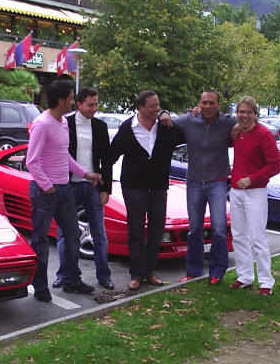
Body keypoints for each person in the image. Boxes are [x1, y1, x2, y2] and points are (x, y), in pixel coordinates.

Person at [26, 79, 102, 302]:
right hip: (45, 192)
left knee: (72, 236)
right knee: (40, 240)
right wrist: (47, 186)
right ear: (60, 100)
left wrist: (85, 174)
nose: (72, 102)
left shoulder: (63, 123)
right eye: (70, 98)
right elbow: (32, 161)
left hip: (64, 189)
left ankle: (72, 280)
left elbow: (64, 155)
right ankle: (40, 285)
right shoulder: (42, 124)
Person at [108, 90, 184, 291]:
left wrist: (166, 113)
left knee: (157, 230)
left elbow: (189, 132)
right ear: (141, 107)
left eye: (158, 105)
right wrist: (102, 181)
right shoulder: (127, 128)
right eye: (153, 106)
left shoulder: (167, 127)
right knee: (135, 229)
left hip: (158, 186)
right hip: (133, 186)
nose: (157, 108)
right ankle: (136, 274)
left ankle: (149, 270)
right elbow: (111, 155)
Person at [159, 90, 233, 285]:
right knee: (194, 229)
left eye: (211, 103)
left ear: (218, 105)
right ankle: (194, 270)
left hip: (217, 182)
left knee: (219, 229)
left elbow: (249, 122)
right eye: (204, 102)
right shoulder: (189, 120)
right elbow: (167, 119)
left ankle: (217, 272)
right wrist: (163, 112)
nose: (207, 106)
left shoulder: (227, 122)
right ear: (199, 104)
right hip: (194, 182)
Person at [53, 86, 115, 291]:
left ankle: (104, 276)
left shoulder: (100, 126)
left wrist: (106, 188)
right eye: (90, 105)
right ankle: (63, 274)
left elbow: (106, 159)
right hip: (69, 185)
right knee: (65, 233)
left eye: (96, 104)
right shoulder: (65, 124)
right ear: (78, 104)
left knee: (99, 233)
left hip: (93, 186)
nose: (94, 108)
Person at [228, 96, 280, 295]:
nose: (244, 116)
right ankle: (244, 277)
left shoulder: (263, 135)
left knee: (258, 238)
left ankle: (266, 281)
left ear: (255, 114)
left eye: (249, 112)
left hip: (255, 192)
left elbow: (276, 164)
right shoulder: (237, 134)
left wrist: (253, 179)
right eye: (241, 112)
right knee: (239, 236)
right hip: (236, 191)